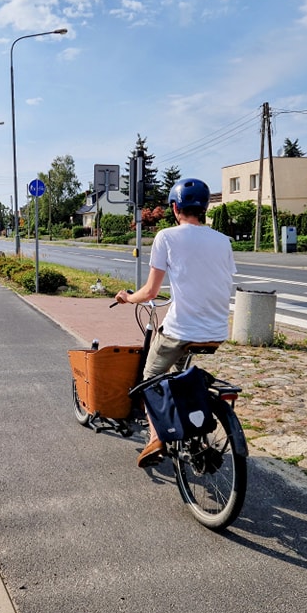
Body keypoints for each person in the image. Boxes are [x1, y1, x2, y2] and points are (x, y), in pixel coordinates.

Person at [114, 178, 236, 467]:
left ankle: (156, 437)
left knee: (150, 379)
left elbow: (151, 292)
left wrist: (128, 298)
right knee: (181, 377)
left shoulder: (167, 237)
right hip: (217, 330)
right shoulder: (223, 240)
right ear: (204, 207)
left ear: (174, 207)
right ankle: (189, 428)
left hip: (183, 328)